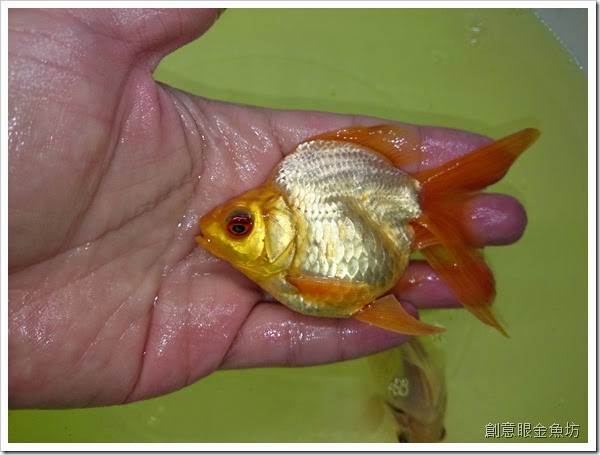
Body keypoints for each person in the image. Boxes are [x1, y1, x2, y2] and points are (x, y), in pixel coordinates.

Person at [8, 8, 527, 409]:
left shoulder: (301, 206)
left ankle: (449, 225)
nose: (222, 235)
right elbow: (346, 294)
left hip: (379, 207)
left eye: (240, 227)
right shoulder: (284, 255)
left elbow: (344, 292)